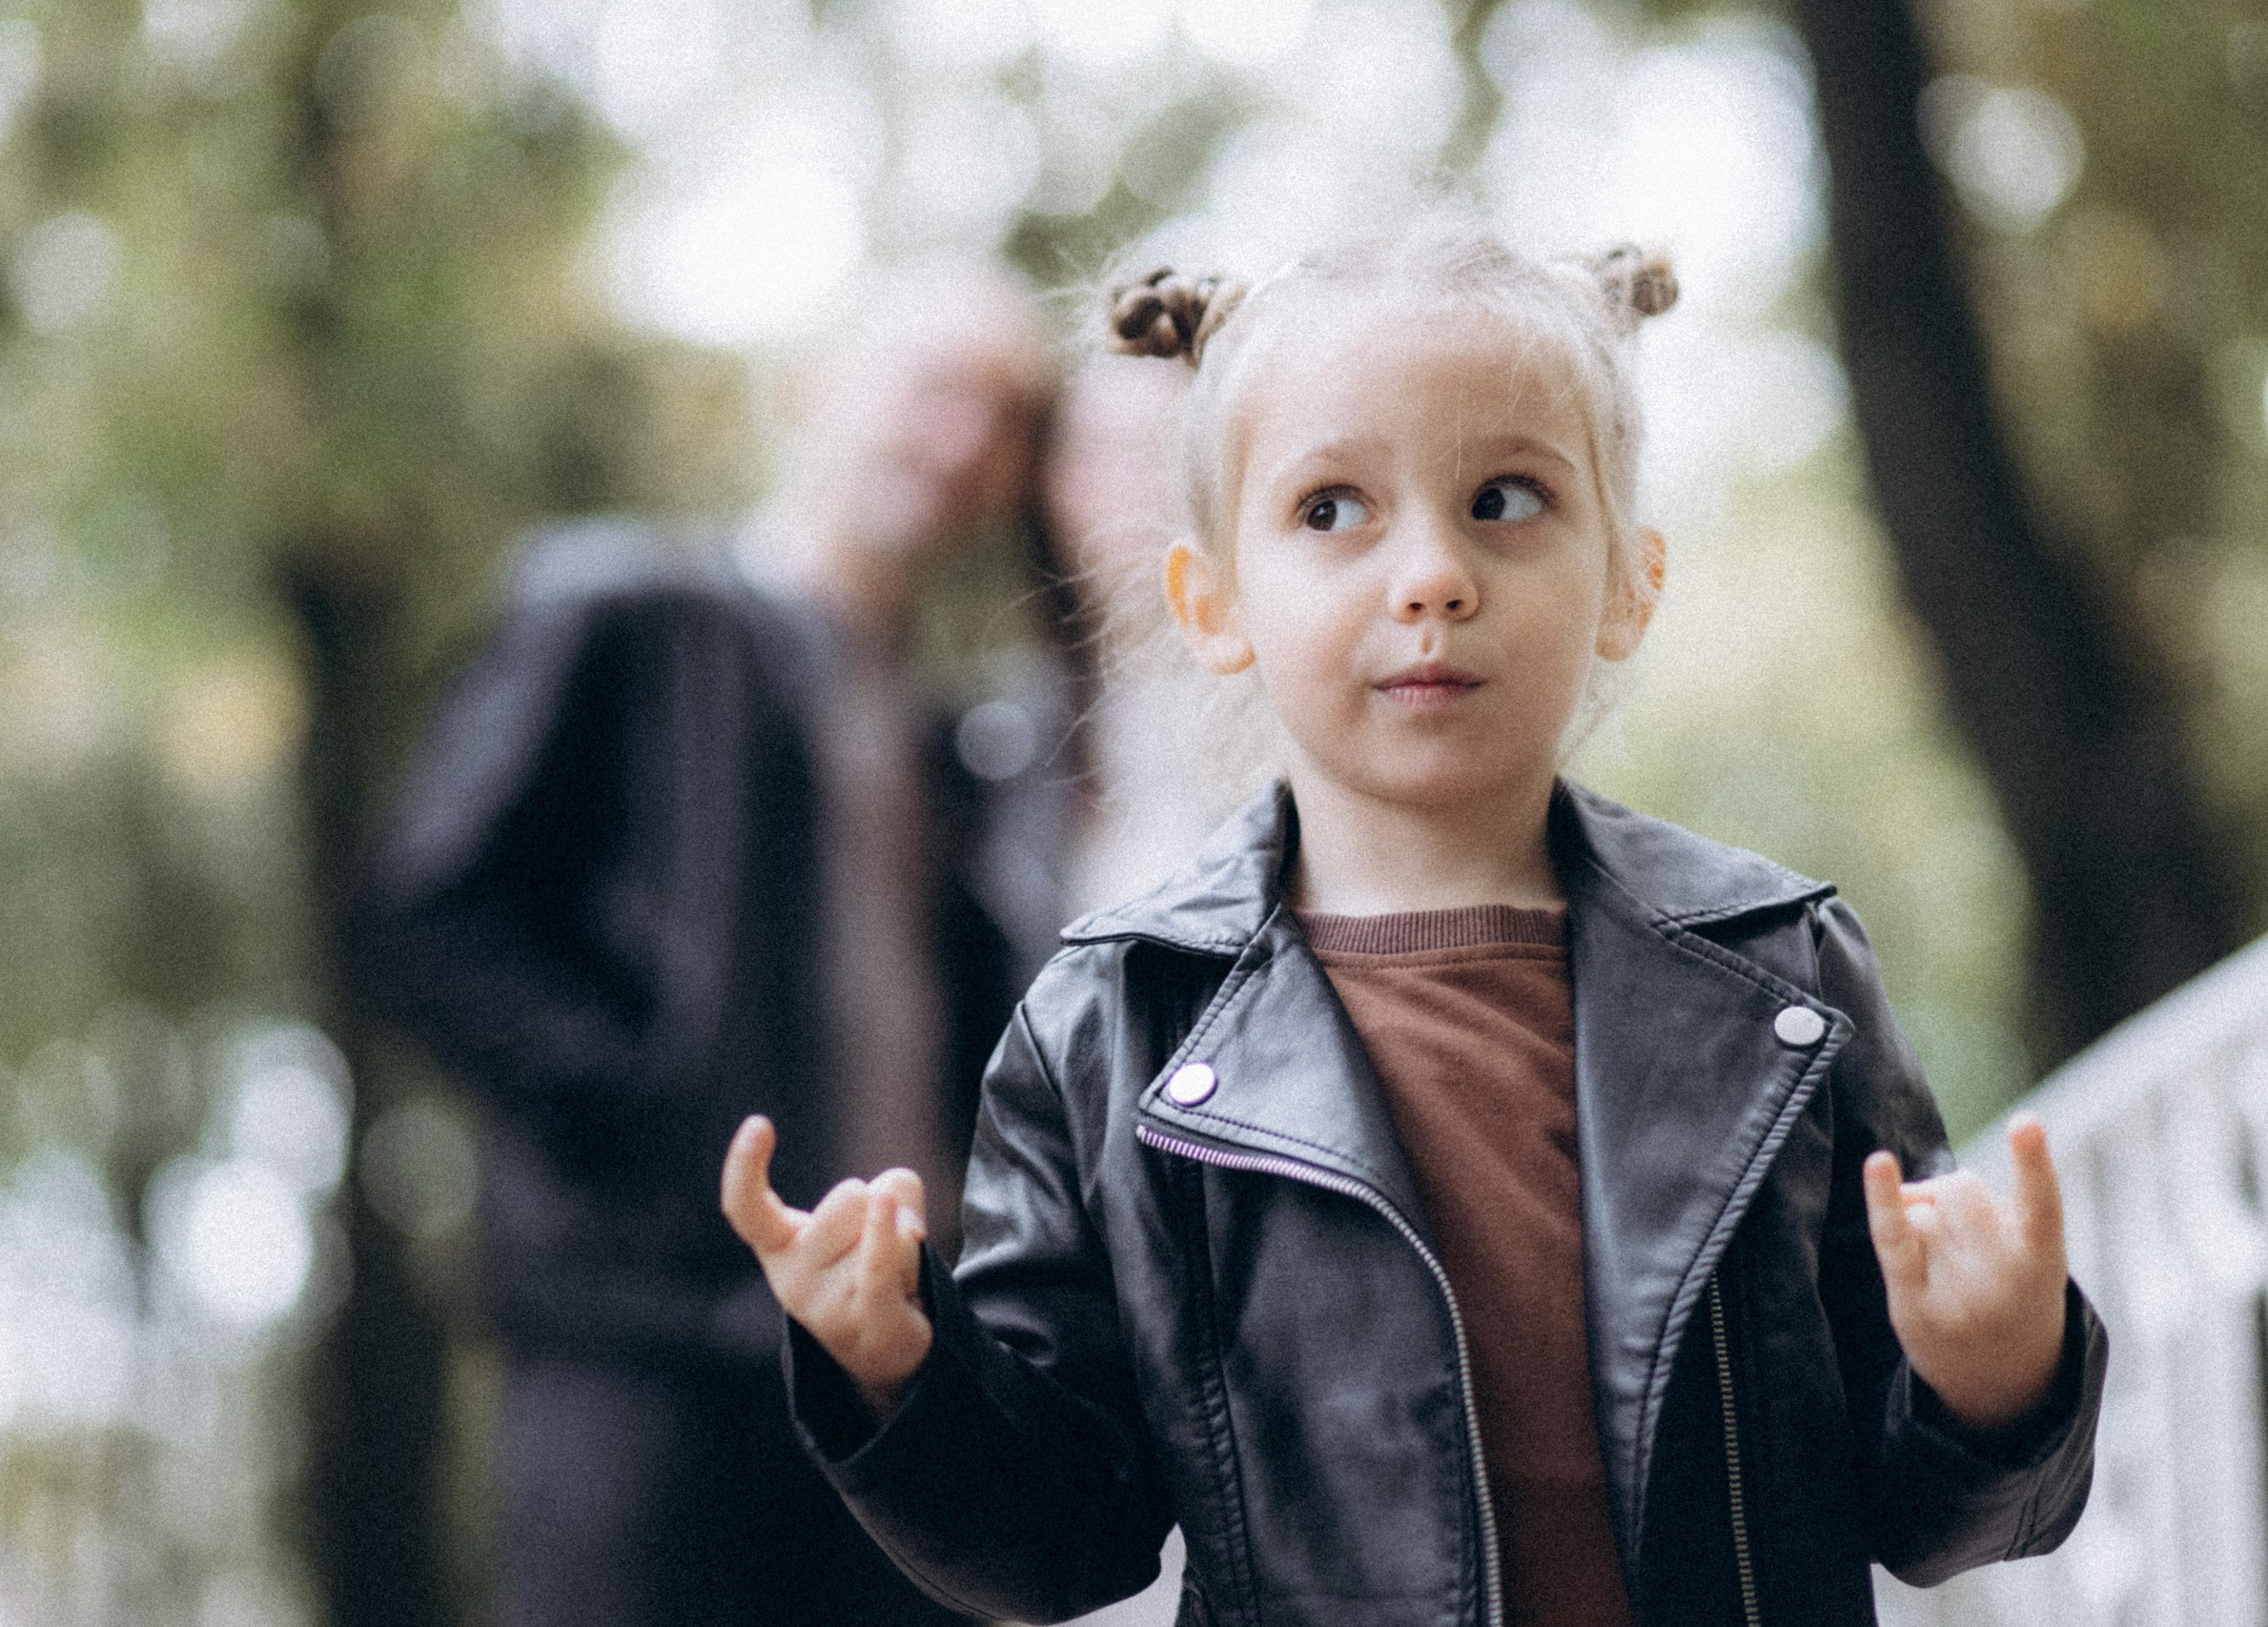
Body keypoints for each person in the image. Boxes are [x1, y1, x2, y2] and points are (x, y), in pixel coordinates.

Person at [719, 218, 2109, 1627]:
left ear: (1631, 578)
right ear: (1214, 602)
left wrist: (1997, 1375)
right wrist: (898, 1367)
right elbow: (1064, 1532)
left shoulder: (1779, 973)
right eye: (1333, 511)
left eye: (1505, 499)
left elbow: (1926, 1512)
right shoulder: (1114, 1023)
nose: (1431, 574)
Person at [349, 260, 1052, 1627]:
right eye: (936, 390)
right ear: (815, 394)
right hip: (644, 1346)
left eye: (1010, 416)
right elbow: (425, 912)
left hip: (886, 1367)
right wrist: (656, 1124)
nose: (968, 440)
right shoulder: (618, 611)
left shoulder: (947, 736)